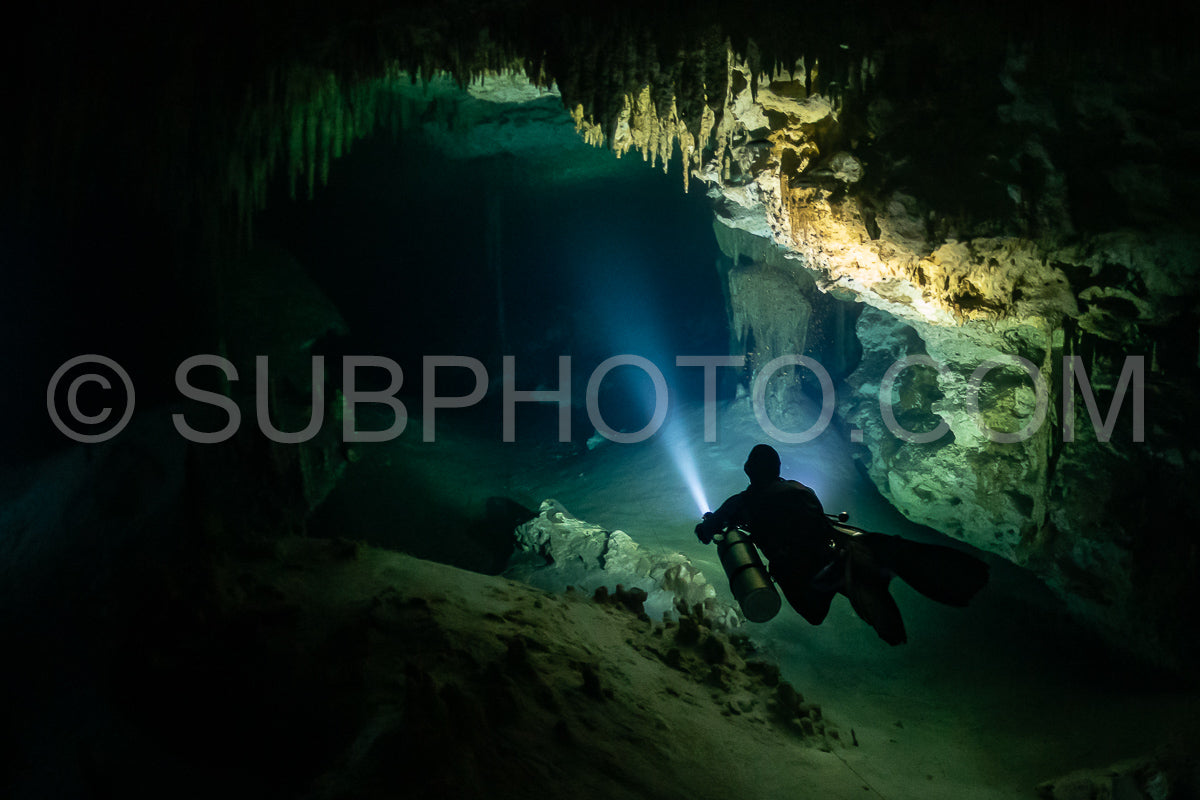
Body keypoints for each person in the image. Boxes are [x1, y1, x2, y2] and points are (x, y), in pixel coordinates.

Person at [696, 444, 989, 645]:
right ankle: (849, 565)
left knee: (813, 614)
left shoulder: (742, 503)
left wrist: (707, 525)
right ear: (776, 468)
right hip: (828, 550)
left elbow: (707, 531)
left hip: (795, 572)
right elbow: (819, 521)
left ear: (749, 470)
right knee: (828, 586)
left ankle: (841, 574)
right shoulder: (800, 489)